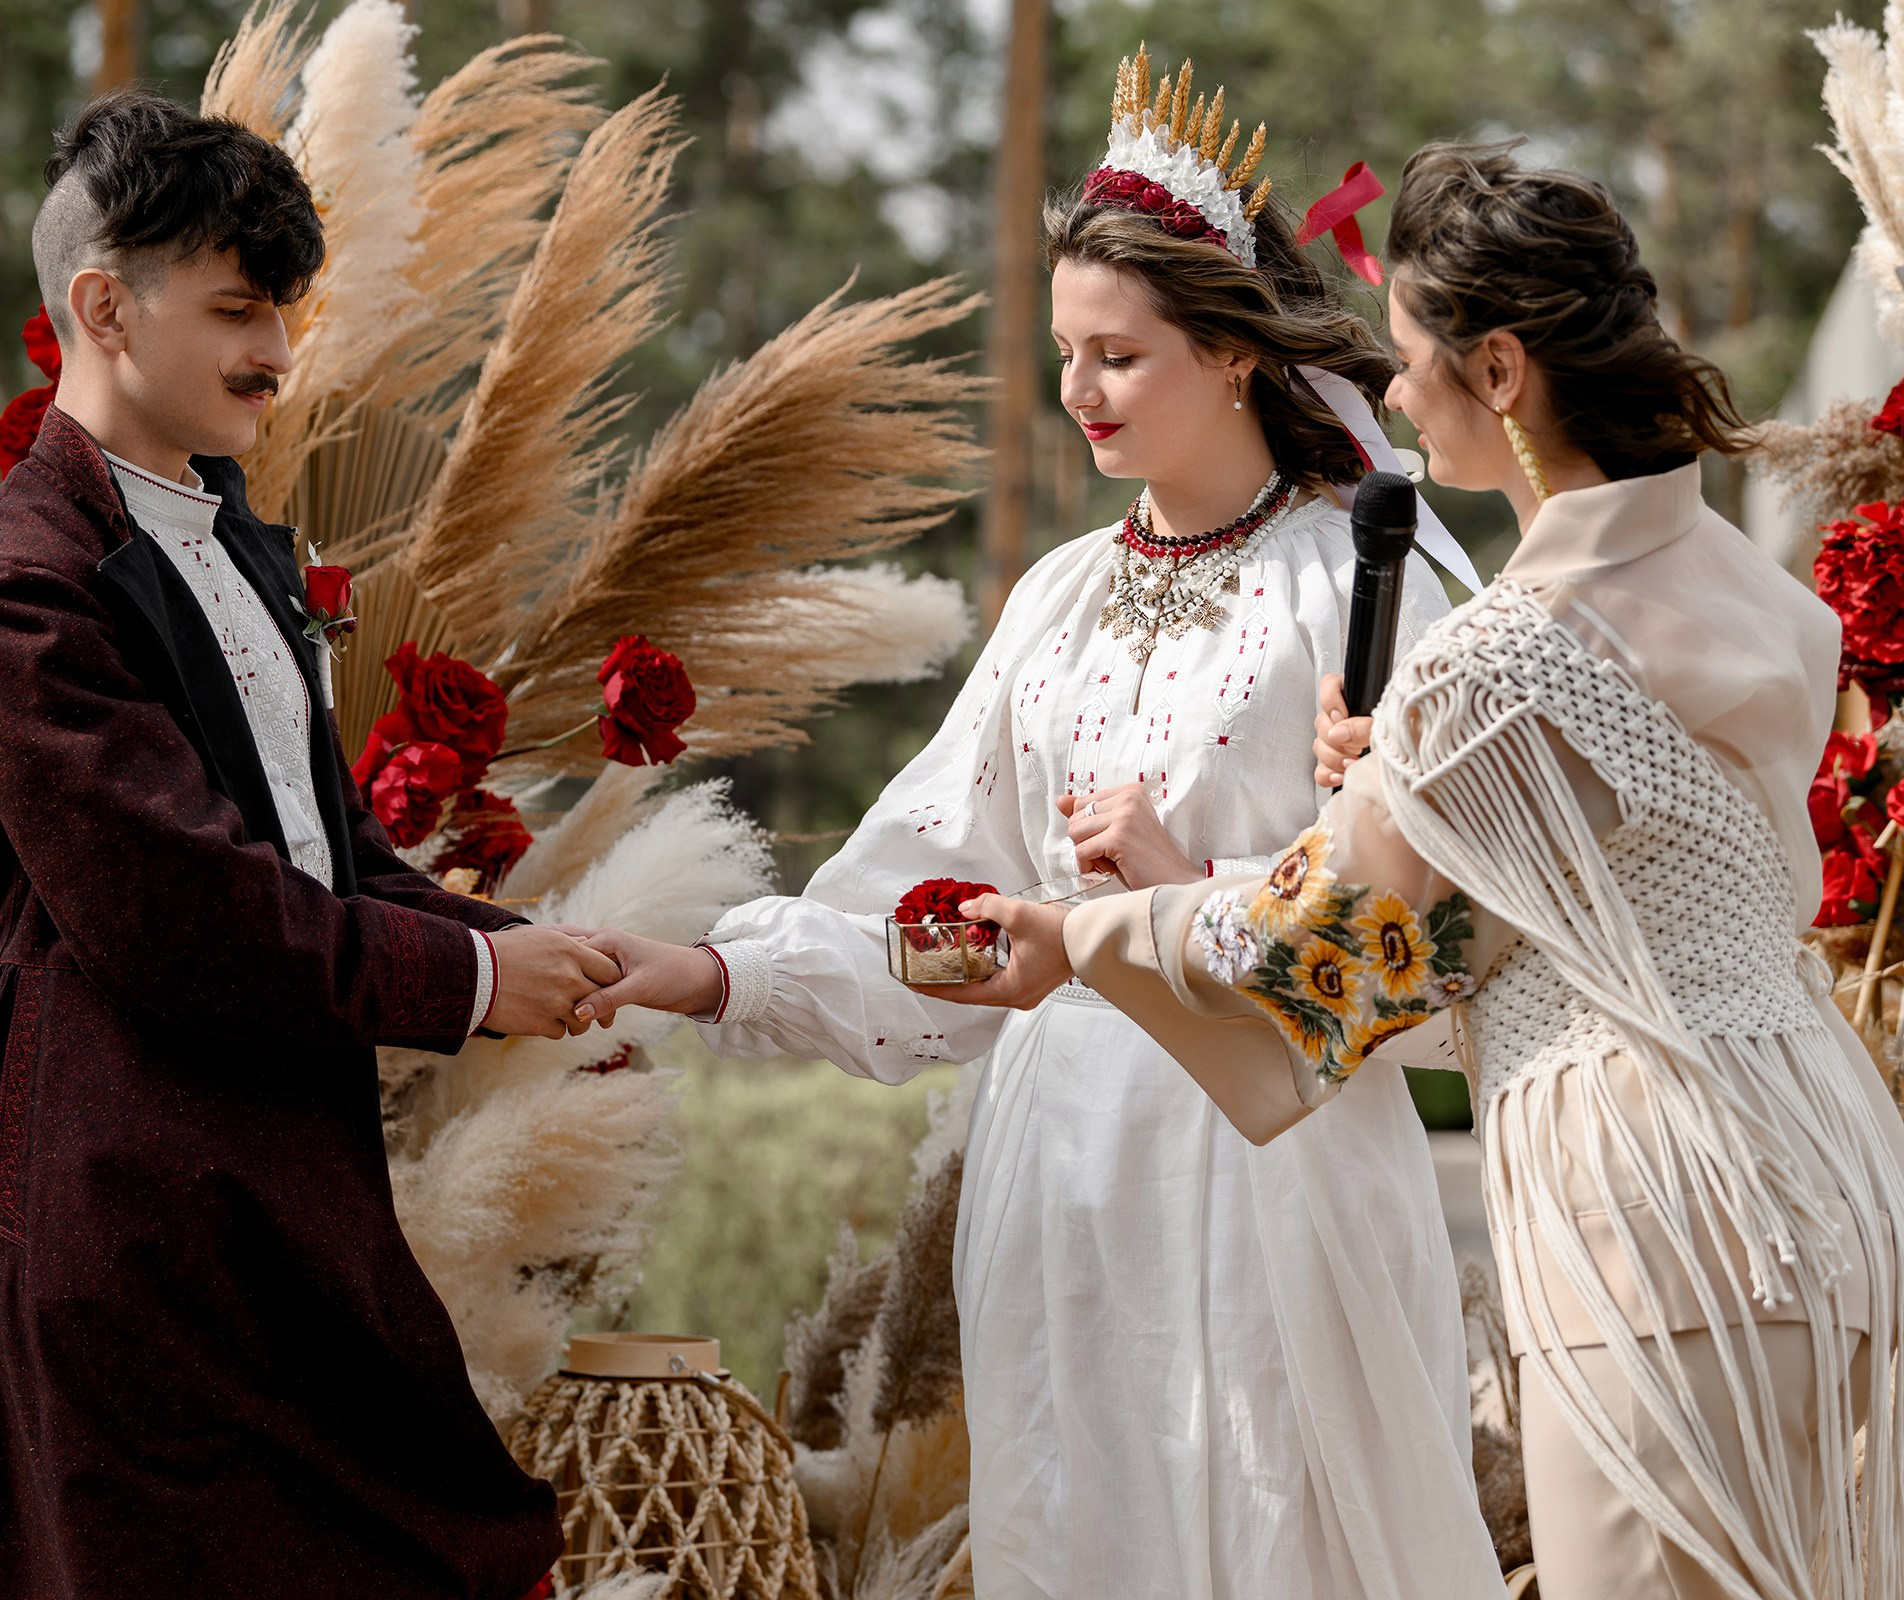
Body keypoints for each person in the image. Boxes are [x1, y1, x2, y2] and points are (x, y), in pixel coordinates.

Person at [577, 55, 1503, 1600]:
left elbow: (1452, 952)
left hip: (1270, 1165)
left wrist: (1184, 895)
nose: (1077, 390)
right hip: (1060, 1181)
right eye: (1067, 351)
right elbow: (931, 914)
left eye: (1119, 356)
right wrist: (706, 973)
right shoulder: (1060, 599)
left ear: (1228, 351)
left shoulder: (1363, 582)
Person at [964, 142, 1904, 1600]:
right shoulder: (1769, 601)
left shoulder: (1499, 656)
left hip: (1644, 1205)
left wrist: (1076, 936)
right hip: (1833, 1170)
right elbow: (1605, 901)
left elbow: (1314, 953)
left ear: (1504, 368)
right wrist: (1406, 784)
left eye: (1407, 360)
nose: (1389, 399)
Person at [0, 90, 609, 1599]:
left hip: (269, 1162)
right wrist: (467, 989)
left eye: (282, 309)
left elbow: (320, 858)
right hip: (116, 1178)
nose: (276, 350)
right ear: (101, 308)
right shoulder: (18, 591)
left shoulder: (227, 545)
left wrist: (519, 952)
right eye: (234, 310)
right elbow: (188, 918)